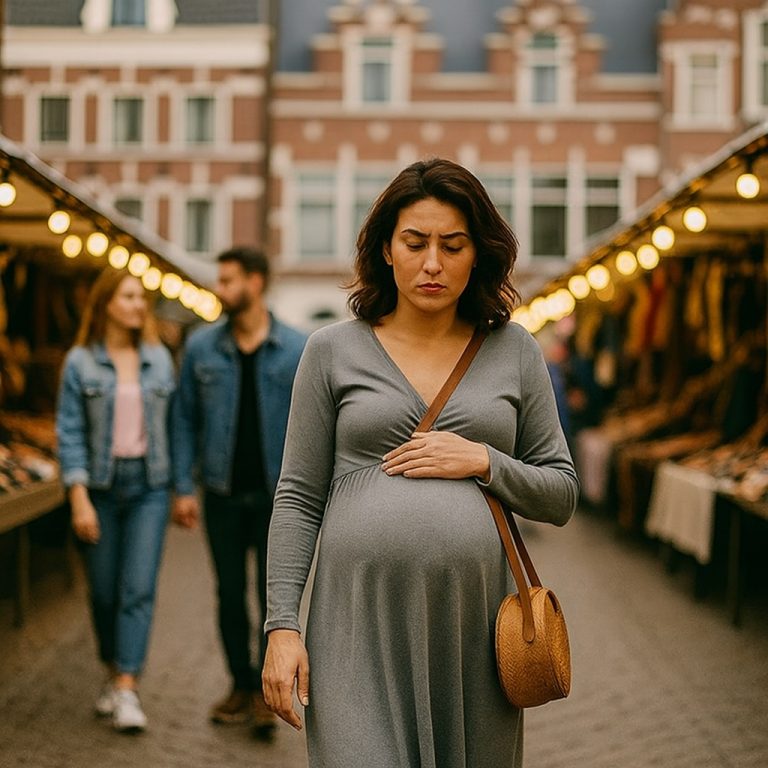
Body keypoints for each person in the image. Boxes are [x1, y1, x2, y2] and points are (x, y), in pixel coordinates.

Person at [262, 158, 580, 767]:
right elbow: (298, 497)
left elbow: (561, 493)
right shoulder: (330, 351)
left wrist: (485, 459)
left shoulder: (515, 350)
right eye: (415, 243)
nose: (433, 263)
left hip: (475, 634)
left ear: (478, 254)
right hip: (355, 627)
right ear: (385, 249)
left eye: (452, 246)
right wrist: (282, 626)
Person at [171, 246, 306, 732]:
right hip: (222, 494)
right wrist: (182, 487)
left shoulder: (297, 349)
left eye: (228, 280)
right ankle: (240, 685)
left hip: (280, 498)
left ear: (256, 282)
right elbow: (183, 418)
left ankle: (268, 693)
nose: (219, 289)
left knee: (275, 600)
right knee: (229, 594)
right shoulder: (201, 347)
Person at [56, 267, 175, 733]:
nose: (138, 304)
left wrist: (181, 489)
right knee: (103, 592)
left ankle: (127, 686)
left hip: (149, 487)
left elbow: (174, 426)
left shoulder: (159, 359)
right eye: (128, 296)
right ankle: (111, 670)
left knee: (137, 589)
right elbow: (69, 431)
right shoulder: (80, 362)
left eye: (141, 297)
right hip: (101, 489)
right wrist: (78, 496)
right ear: (106, 303)